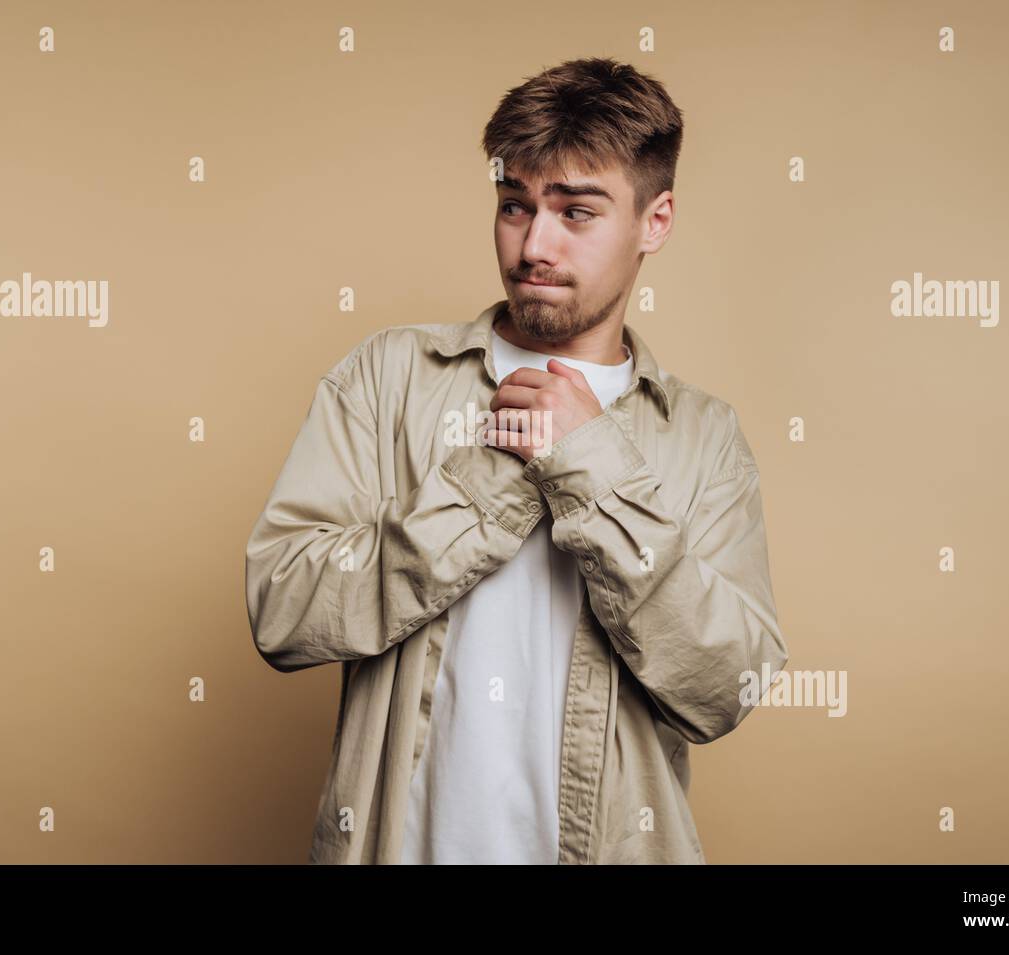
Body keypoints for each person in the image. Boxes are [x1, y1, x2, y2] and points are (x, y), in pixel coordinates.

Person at [245, 56, 788, 864]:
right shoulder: (387, 377)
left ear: (656, 221)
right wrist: (491, 482)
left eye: (577, 213)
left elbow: (724, 687)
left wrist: (592, 465)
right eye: (514, 205)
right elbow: (283, 610)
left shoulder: (703, 437)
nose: (534, 243)